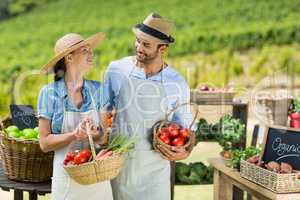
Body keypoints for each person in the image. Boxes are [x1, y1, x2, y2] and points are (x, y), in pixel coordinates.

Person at [105, 13, 196, 200]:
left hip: (155, 169)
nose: (139, 47)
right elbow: (104, 112)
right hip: (121, 166)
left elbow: (188, 129)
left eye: (146, 45)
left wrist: (184, 152)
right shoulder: (116, 70)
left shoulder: (176, 82)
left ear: (163, 48)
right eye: (138, 41)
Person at [37, 32, 113, 200]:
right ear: (69, 58)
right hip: (66, 176)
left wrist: (95, 133)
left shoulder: (98, 90)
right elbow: (44, 143)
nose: (91, 53)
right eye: (84, 50)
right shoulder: (49, 93)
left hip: (97, 178)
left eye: (90, 49)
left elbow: (103, 139)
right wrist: (74, 135)